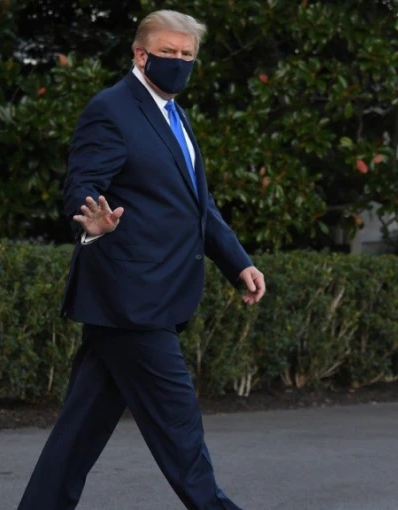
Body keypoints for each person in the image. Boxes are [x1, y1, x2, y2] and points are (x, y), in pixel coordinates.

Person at [18, 9, 266, 510]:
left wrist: (237, 262)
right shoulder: (111, 109)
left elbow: (197, 204)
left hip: (142, 299)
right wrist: (90, 221)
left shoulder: (174, 115)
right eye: (168, 52)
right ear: (140, 54)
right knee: (179, 428)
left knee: (79, 433)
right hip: (132, 299)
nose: (179, 62)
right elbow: (83, 184)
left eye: (187, 55)